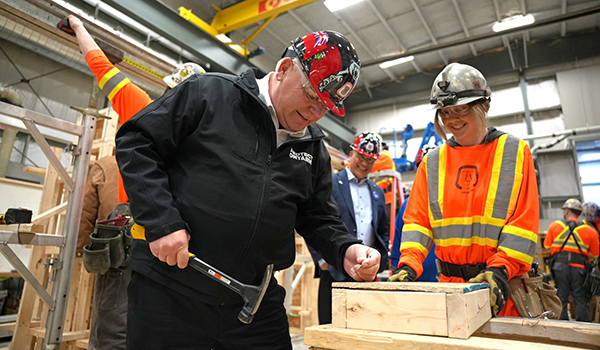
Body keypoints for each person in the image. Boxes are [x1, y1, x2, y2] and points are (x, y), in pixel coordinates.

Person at [115, 30, 380, 349]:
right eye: (311, 96)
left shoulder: (313, 147)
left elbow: (318, 217)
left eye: (325, 106)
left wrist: (346, 249)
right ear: (283, 70)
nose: (315, 113)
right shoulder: (209, 93)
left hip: (253, 303)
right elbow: (136, 141)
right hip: (170, 293)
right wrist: (162, 221)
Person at [63, 15, 204, 350]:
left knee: (115, 334)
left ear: (169, 88)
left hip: (134, 246)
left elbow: (99, 66)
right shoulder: (207, 138)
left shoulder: (142, 108)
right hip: (179, 255)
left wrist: (80, 27)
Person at [391, 62, 540, 318]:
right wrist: (408, 265)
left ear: (484, 105)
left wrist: (500, 270)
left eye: (460, 109)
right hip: (450, 291)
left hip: (501, 289)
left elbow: (523, 224)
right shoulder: (432, 162)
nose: (452, 120)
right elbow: (418, 222)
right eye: (445, 112)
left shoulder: (515, 152)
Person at [309, 132, 389, 324]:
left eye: (370, 160)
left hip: (365, 273)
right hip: (334, 267)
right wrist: (321, 259)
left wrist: (378, 258)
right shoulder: (331, 183)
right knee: (331, 326)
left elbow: (383, 230)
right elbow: (312, 218)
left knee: (363, 326)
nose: (365, 163)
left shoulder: (377, 192)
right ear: (352, 153)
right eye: (361, 156)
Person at [543, 198, 599, 321]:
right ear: (579, 213)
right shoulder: (590, 231)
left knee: (561, 298)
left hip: (559, 268)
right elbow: (594, 255)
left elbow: (547, 247)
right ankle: (583, 330)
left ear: (567, 211)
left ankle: (563, 328)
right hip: (580, 269)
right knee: (580, 298)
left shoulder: (554, 226)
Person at [390, 144, 438, 282]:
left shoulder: (455, 203)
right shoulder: (407, 206)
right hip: (416, 282)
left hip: (450, 281)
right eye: (423, 169)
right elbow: (397, 250)